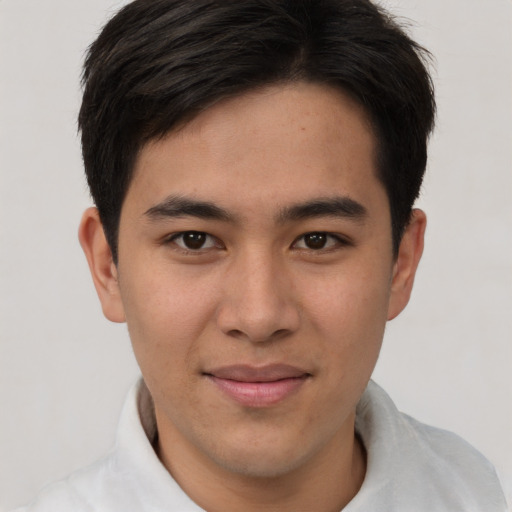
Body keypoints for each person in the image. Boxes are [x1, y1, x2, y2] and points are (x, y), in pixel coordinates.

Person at [12, 0, 508, 510]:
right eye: (194, 240)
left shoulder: (480, 494)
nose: (259, 316)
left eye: (317, 240)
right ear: (106, 265)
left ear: (401, 261)